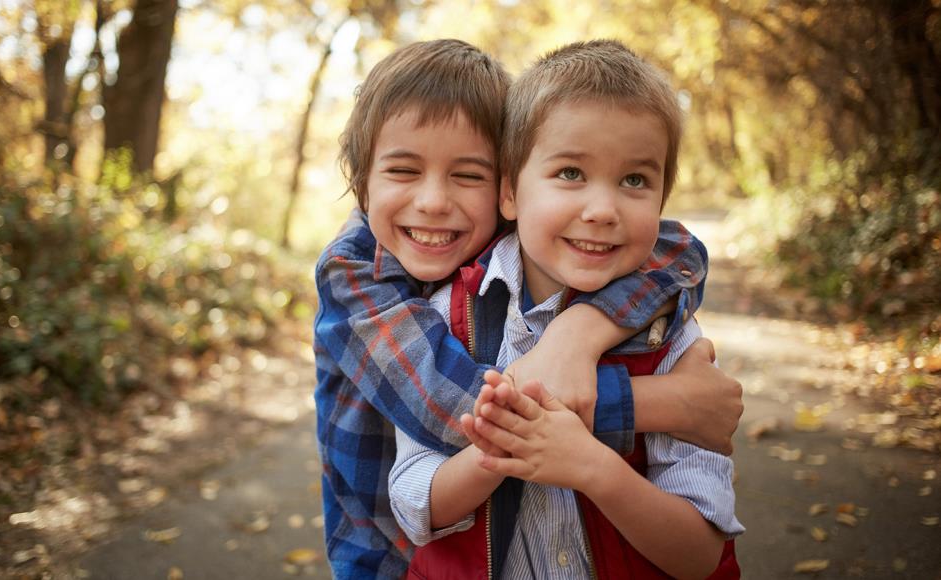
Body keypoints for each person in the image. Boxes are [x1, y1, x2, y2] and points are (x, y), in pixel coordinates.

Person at [315, 38, 742, 579]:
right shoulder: (356, 271)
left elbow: (676, 249)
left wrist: (577, 335)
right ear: (360, 184)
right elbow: (454, 414)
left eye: (468, 175)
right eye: (403, 171)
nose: (433, 202)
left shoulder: (518, 243)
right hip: (380, 556)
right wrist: (661, 404)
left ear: (502, 190)